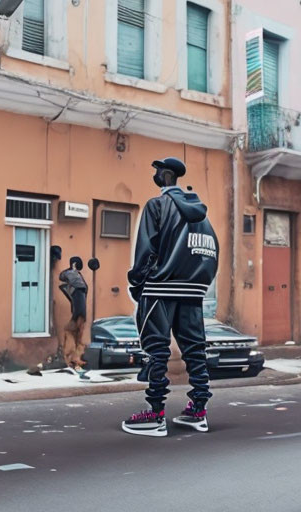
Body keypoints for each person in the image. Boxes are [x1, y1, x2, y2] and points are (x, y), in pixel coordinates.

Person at [122, 157, 219, 437]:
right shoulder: (203, 216)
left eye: (156, 171)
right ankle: (198, 411)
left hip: (160, 289)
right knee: (195, 351)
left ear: (165, 176)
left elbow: (146, 250)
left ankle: (154, 415)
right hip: (193, 292)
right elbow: (212, 254)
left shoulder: (157, 206)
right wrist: (198, 284)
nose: (154, 175)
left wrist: (138, 283)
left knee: (156, 351)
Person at [59, 256, 89, 370]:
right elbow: (63, 277)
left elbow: (62, 276)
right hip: (80, 310)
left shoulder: (75, 275)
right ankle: (73, 358)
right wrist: (73, 269)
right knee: (74, 332)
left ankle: (73, 358)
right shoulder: (74, 275)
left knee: (74, 332)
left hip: (79, 310)